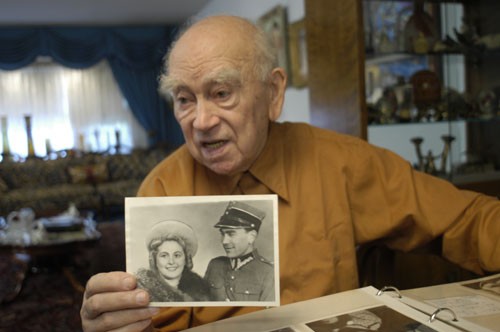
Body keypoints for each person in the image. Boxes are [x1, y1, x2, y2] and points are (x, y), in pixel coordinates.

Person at [80, 15, 500, 332]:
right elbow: (156, 321)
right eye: (185, 99)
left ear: (273, 93)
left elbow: (471, 218)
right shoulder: (161, 188)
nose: (201, 121)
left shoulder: (339, 162)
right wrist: (118, 321)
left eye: (221, 93)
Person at [204, 200, 274, 302]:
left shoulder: (268, 273)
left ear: (251, 237)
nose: (224, 241)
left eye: (231, 234)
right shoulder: (215, 265)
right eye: (222, 234)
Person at [134, 220, 210, 302]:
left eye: (177, 255)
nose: (171, 261)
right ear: (154, 259)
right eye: (164, 256)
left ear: (186, 259)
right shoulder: (142, 291)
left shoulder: (200, 290)